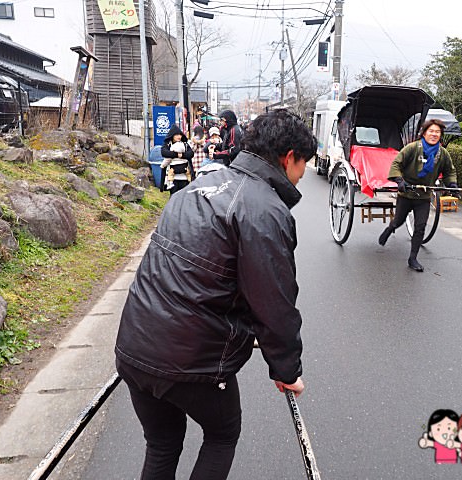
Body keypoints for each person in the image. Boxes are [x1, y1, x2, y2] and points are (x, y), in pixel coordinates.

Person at [114, 109, 317, 480]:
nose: (303, 175)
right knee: (222, 434)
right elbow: (274, 305)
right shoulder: (265, 211)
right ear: (289, 157)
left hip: (134, 346)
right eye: (304, 164)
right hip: (192, 363)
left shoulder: (198, 187)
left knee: (161, 444)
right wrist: (286, 369)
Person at [378, 119, 459, 272]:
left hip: (424, 196)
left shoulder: (443, 153)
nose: (434, 134)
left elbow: (449, 171)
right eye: (431, 131)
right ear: (424, 132)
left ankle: (413, 258)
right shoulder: (413, 148)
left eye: (437, 132)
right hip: (407, 192)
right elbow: (397, 163)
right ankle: (390, 228)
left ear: (440, 135)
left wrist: (452, 185)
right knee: (399, 221)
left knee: (420, 226)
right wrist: (399, 180)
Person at [160, 124, 195, 196]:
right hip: (172, 178)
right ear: (172, 135)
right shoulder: (168, 144)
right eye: (177, 135)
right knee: (173, 197)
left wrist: (181, 155)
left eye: (180, 135)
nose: (179, 137)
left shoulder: (185, 144)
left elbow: (190, 154)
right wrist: (177, 154)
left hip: (185, 176)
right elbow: (164, 153)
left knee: (184, 198)